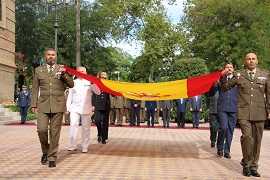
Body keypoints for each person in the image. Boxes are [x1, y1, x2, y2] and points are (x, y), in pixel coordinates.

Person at [220, 53, 270, 177]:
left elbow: (269, 94)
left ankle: (254, 166)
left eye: (253, 59)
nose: (251, 61)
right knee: (247, 137)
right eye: (249, 59)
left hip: (259, 112)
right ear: (245, 62)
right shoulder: (239, 75)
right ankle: (246, 164)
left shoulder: (264, 74)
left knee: (257, 140)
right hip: (243, 112)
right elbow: (226, 88)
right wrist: (223, 77)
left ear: (257, 61)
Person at [30, 48, 74, 168]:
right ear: (45, 57)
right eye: (48, 55)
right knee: (41, 130)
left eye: (53, 55)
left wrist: (65, 73)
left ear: (56, 57)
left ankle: (52, 157)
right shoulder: (39, 70)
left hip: (58, 104)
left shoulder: (61, 69)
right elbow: (35, 88)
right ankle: (45, 150)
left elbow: (71, 84)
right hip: (43, 104)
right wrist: (33, 104)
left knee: (55, 133)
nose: (51, 57)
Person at [66, 67, 100, 153]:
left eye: (82, 71)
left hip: (86, 107)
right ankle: (73, 145)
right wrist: (67, 107)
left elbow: (98, 92)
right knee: (73, 125)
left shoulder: (89, 82)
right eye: (79, 72)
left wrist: (93, 83)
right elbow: (70, 96)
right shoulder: (73, 82)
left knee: (86, 127)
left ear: (85, 72)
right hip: (75, 107)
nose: (81, 73)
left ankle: (85, 146)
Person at [211, 63, 238, 158]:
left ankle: (227, 151)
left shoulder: (237, 80)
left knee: (230, 129)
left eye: (231, 67)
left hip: (234, 107)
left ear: (233, 69)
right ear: (224, 69)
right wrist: (214, 85)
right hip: (222, 107)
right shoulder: (219, 80)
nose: (229, 69)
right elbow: (212, 92)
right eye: (227, 67)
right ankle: (220, 147)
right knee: (224, 127)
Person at [92, 71, 111, 144]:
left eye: (104, 74)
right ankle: (99, 133)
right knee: (97, 120)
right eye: (102, 74)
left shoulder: (109, 83)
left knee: (105, 123)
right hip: (98, 105)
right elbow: (94, 95)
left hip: (106, 105)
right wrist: (93, 105)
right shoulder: (97, 83)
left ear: (106, 75)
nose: (103, 75)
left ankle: (104, 137)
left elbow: (112, 94)